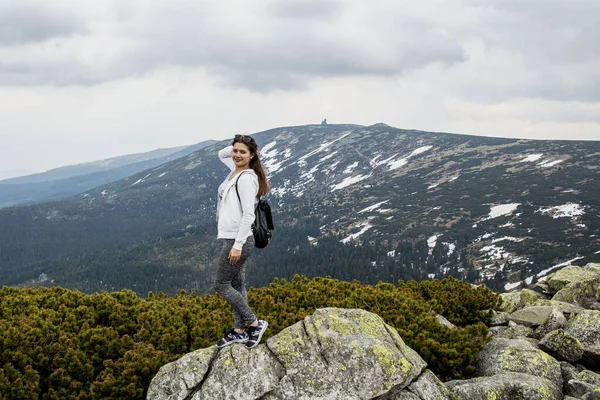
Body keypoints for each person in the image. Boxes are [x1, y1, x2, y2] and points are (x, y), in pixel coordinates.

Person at [213, 134, 270, 349]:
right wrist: (241, 143)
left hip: (239, 240)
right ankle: (239, 331)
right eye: (235, 151)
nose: (236, 155)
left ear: (252, 155)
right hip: (233, 237)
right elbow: (221, 153)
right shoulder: (234, 170)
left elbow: (249, 215)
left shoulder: (246, 178)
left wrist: (237, 246)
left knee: (221, 284)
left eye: (242, 152)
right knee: (237, 284)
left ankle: (254, 323)